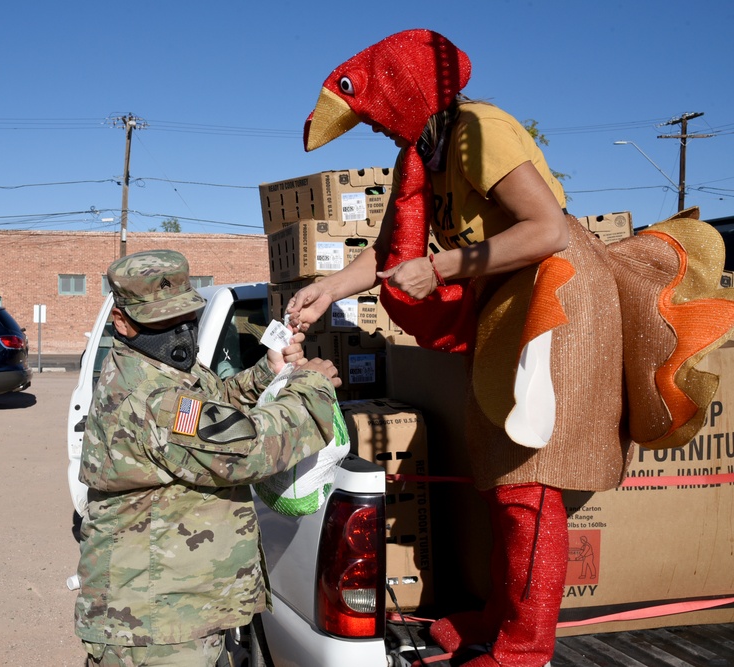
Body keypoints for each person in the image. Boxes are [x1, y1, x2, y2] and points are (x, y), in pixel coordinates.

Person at [287, 29, 734, 667]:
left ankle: (525, 649)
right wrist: (328, 287)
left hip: (563, 293)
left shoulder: (478, 129)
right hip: (505, 300)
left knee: (533, 478)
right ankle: (501, 617)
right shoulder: (422, 156)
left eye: (381, 117)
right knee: (499, 471)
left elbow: (548, 228)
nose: (382, 133)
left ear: (409, 94)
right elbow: (389, 253)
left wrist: (442, 271)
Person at [74, 249, 342, 667]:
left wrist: (267, 374)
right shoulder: (150, 398)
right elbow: (249, 447)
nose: (178, 332)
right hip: (154, 627)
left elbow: (212, 404)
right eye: (161, 322)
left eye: (185, 317)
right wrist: (311, 387)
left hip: (179, 608)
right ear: (122, 321)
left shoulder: (158, 366)